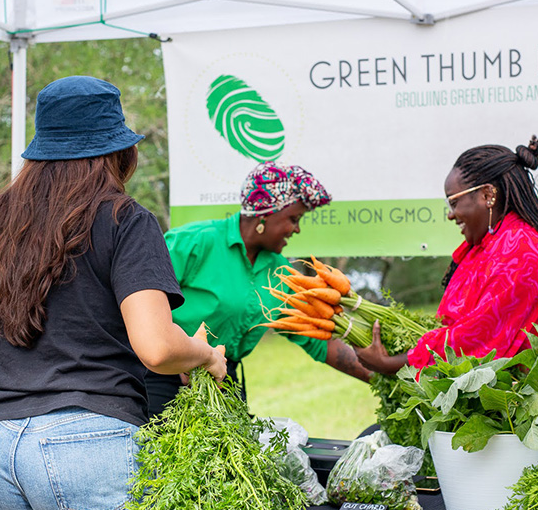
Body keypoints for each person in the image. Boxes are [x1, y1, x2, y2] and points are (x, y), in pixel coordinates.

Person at [0, 76, 227, 510]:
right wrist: (206, 357)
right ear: (119, 150)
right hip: (93, 446)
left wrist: (0, 396)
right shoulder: (125, 220)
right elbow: (157, 347)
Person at [145, 161, 371, 417]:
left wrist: (381, 377)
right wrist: (178, 357)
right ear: (265, 215)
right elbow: (141, 308)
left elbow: (320, 343)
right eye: (293, 219)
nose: (297, 229)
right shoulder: (194, 243)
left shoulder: (281, 273)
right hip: (162, 379)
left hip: (222, 384)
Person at [356, 135, 538, 375]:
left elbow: (478, 336)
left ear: (487, 195)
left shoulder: (521, 249)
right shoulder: (492, 244)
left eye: (453, 202)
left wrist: (392, 364)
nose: (451, 215)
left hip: (524, 402)